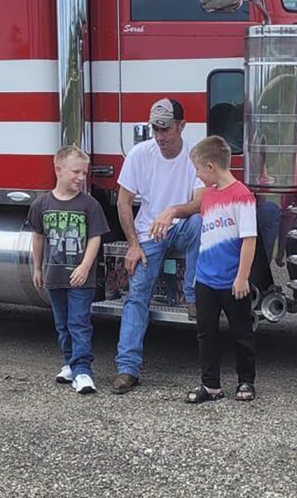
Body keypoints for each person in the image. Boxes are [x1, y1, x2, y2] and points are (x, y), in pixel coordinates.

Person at [113, 98, 204, 394]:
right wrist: (133, 245)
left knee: (200, 222)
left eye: (166, 129)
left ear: (182, 126)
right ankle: (127, 369)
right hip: (148, 234)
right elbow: (124, 202)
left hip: (179, 227)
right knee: (137, 295)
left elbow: (200, 202)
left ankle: (192, 296)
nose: (160, 136)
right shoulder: (141, 154)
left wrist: (172, 212)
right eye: (156, 128)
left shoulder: (194, 155)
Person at [28, 146, 110, 394]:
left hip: (80, 278)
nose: (81, 178)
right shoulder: (42, 203)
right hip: (54, 276)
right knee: (62, 323)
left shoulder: (89, 204)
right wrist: (37, 269)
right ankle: (70, 363)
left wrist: (85, 266)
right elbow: (38, 237)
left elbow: (95, 238)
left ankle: (83, 371)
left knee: (79, 322)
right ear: (58, 169)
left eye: (84, 173)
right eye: (76, 172)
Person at [185, 136, 258, 404]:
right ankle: (210, 385)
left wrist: (242, 277)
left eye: (198, 169)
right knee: (206, 332)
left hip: (232, 279)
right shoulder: (208, 195)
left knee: (241, 332)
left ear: (211, 166)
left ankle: (246, 381)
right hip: (205, 278)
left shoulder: (242, 196)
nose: (197, 174)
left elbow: (249, 239)